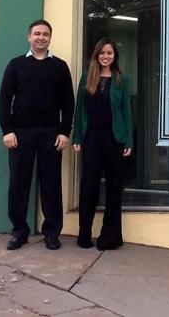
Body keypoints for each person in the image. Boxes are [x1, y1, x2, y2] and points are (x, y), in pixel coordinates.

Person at [0, 19, 75, 251]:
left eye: (45, 34)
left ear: (50, 38)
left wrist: (64, 132)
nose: (41, 37)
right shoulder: (16, 65)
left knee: (51, 185)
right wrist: (7, 130)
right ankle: (19, 232)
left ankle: (52, 233)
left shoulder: (60, 67)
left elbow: (68, 103)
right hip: (21, 134)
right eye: (37, 34)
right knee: (18, 184)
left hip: (51, 134)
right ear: (29, 37)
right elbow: (3, 101)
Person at [72, 38, 133, 250]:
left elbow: (126, 111)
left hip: (115, 139)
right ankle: (84, 234)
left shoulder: (121, 80)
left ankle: (110, 237)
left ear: (114, 56)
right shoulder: (85, 79)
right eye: (102, 53)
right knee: (89, 187)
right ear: (96, 55)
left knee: (114, 189)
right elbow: (79, 110)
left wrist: (128, 140)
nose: (106, 56)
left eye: (110, 53)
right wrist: (77, 137)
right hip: (92, 139)